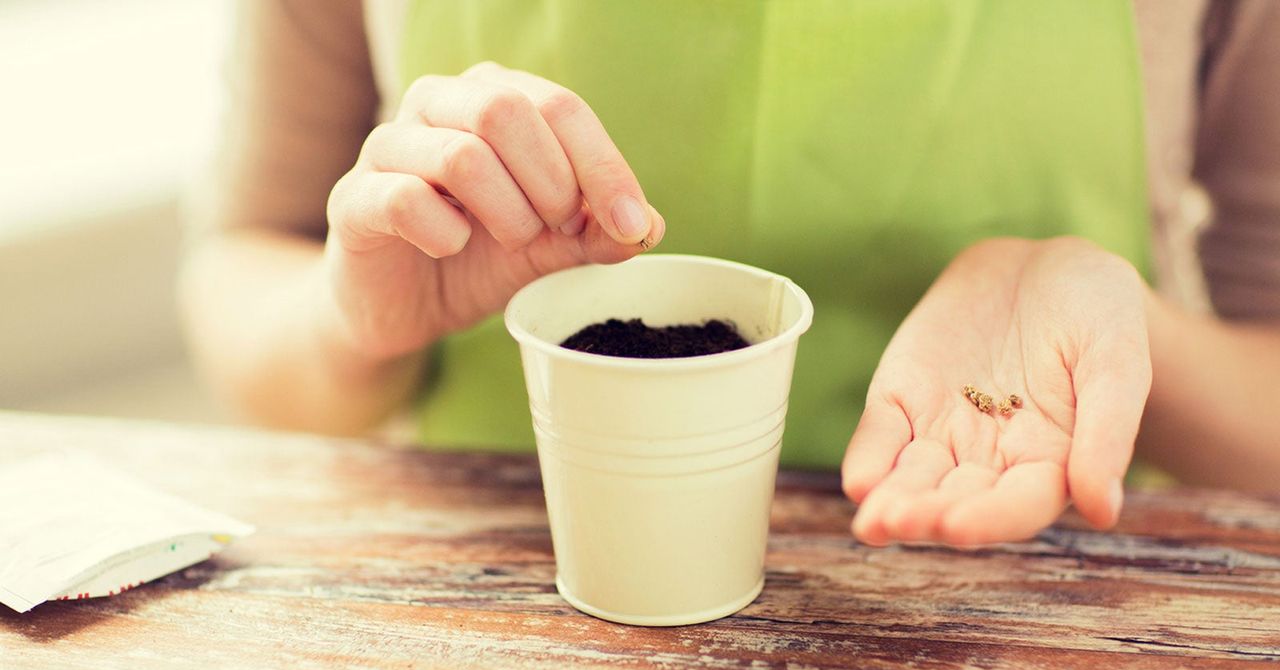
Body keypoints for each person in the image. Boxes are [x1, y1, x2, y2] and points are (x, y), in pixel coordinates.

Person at [181, 1, 1280, 548]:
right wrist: (353, 318)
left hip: (1048, 610)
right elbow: (238, 264)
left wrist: (1122, 328)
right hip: (498, 604)